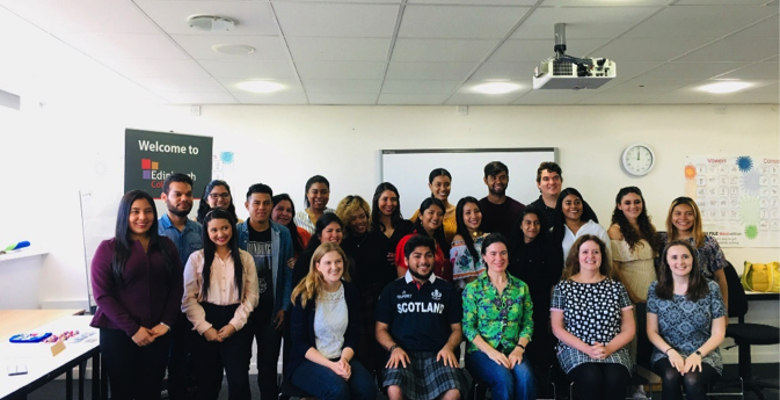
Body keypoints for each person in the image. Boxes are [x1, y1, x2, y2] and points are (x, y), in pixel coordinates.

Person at [90, 190, 183, 400]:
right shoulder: (108, 249)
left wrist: (166, 324)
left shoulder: (166, 246)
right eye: (135, 212)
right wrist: (133, 330)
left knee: (151, 389)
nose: (143, 217)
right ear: (125, 215)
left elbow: (177, 286)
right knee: (122, 391)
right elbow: (103, 295)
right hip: (119, 334)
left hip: (157, 333)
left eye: (148, 211)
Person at [375, 234, 468, 400]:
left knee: (453, 392)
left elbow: (456, 329)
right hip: (403, 353)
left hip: (438, 353)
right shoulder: (392, 290)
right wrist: (394, 349)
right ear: (406, 259)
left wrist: (449, 347)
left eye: (428, 255)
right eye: (417, 256)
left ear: (435, 258)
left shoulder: (447, 289)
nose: (423, 261)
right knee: (395, 390)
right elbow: (380, 330)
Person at [182, 209, 259, 400]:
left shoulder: (245, 258)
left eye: (225, 228)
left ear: (232, 228)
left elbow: (251, 296)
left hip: (237, 320)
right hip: (205, 317)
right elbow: (188, 298)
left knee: (239, 380)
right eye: (214, 230)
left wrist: (235, 325)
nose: (221, 234)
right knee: (207, 381)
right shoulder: (196, 259)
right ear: (206, 233)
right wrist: (204, 327)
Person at [286, 242, 378, 400]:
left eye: (338, 261)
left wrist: (343, 361)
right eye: (328, 262)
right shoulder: (305, 294)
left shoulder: (350, 292)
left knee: (368, 390)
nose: (334, 267)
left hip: (340, 356)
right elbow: (300, 344)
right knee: (337, 391)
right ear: (317, 266)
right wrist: (332, 366)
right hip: (307, 361)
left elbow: (352, 336)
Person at [550, 235, 635, 400]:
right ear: (577, 256)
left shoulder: (617, 287)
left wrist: (608, 348)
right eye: (585, 252)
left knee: (615, 378)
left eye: (596, 252)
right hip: (575, 349)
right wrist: (587, 349)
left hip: (613, 348)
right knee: (591, 377)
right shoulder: (563, 287)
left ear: (602, 256)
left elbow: (629, 328)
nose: (591, 256)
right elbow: (557, 328)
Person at [647, 240, 727, 400]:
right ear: (666, 261)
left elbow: (718, 332)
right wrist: (671, 352)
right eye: (674, 257)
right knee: (671, 375)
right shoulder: (655, 288)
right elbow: (652, 331)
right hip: (666, 352)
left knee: (692, 379)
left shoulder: (711, 288)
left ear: (693, 260)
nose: (680, 262)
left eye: (685, 257)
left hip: (704, 352)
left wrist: (698, 354)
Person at [236, 183, 294, 399]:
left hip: (272, 310)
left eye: (266, 203)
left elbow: (288, 273)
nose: (261, 207)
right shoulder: (235, 232)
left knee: (268, 368)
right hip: (242, 310)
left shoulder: (282, 233)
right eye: (256, 203)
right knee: (240, 369)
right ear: (247, 205)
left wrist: (284, 306)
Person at [463, 233, 536, 400]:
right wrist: (491, 353)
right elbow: (468, 327)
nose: (499, 258)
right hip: (481, 352)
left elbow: (528, 323)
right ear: (484, 257)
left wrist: (519, 349)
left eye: (503, 253)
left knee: (527, 380)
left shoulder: (521, 287)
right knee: (504, 379)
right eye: (493, 254)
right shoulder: (473, 288)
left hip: (514, 349)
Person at [157, 173, 203, 400]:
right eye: (178, 194)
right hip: (163, 307)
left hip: (194, 305)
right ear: (165, 196)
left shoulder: (201, 231)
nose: (184, 199)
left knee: (188, 358)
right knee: (162, 358)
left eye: (188, 194)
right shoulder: (154, 231)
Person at [336, 195, 390, 369]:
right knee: (360, 347)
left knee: (379, 346)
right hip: (351, 301)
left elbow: (388, 272)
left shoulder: (379, 239)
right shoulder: (341, 244)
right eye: (353, 218)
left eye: (362, 216)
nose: (360, 221)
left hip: (377, 299)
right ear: (346, 221)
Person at [507, 207, 562, 376]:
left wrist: (551, 312)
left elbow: (554, 282)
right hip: (515, 305)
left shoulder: (549, 249)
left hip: (540, 304)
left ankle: (541, 383)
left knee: (539, 343)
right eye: (528, 223)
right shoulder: (511, 248)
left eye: (537, 223)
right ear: (520, 225)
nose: (532, 227)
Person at [659, 197, 728, 310]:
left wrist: (724, 309)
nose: (683, 218)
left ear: (696, 216)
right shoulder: (661, 241)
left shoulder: (708, 242)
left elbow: (720, 279)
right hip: (670, 301)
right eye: (678, 213)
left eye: (689, 214)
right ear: (671, 216)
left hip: (703, 299)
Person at [396, 197, 453, 281]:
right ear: (420, 215)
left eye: (440, 214)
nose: (436, 217)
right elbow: (403, 278)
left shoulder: (439, 241)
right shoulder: (408, 241)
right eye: (431, 213)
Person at [553, 187, 611, 264]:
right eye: (568, 203)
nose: (573, 206)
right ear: (560, 207)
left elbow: (608, 260)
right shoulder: (554, 232)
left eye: (577, 202)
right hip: (565, 275)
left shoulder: (597, 230)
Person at [370, 182, 415, 274]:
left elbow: (415, 252)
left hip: (403, 279)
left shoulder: (407, 227)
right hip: (375, 281)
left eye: (393, 199)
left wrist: (400, 257)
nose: (389, 203)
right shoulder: (369, 228)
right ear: (377, 200)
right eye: (385, 199)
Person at [478, 161, 525, 238]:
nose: (498, 181)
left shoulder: (520, 210)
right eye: (494, 178)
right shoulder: (477, 210)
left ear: (508, 179)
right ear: (485, 180)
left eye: (502, 177)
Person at [411, 168, 458, 243]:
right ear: (430, 186)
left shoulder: (457, 212)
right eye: (438, 184)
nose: (443, 189)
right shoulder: (422, 212)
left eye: (447, 184)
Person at [450, 196, 488, 285]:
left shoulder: (488, 237)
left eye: (477, 211)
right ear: (461, 216)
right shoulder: (459, 240)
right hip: (474, 293)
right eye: (468, 213)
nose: (474, 216)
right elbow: (469, 280)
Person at [271, 193, 312, 265]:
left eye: (289, 210)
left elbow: (313, 259)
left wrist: (300, 263)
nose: (285, 213)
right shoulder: (260, 233)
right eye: (280, 209)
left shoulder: (302, 234)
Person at [527, 162, 563, 230]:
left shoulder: (573, 207)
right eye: (546, 179)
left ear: (561, 181)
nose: (552, 182)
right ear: (538, 184)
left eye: (555, 178)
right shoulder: (531, 211)